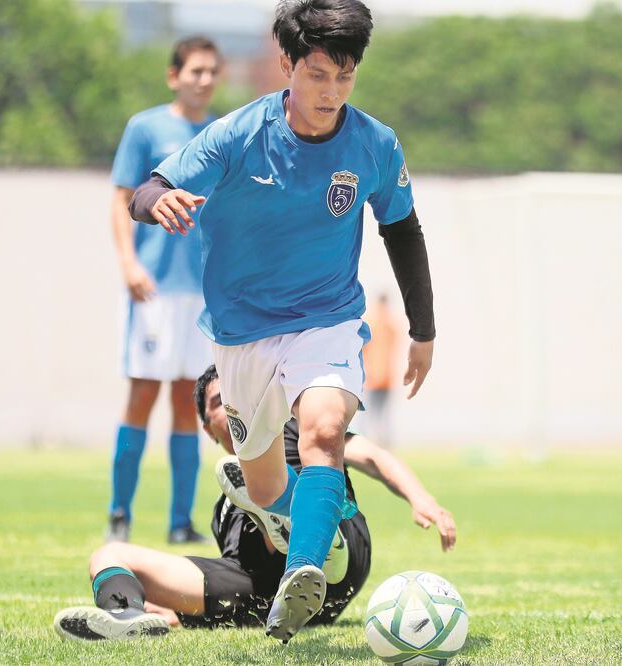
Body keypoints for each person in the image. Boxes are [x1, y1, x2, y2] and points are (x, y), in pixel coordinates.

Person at [127, 0, 436, 642]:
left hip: (326, 319)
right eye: (318, 74)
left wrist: (422, 330)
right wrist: (161, 204)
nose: (331, 92)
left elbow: (403, 229)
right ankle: (304, 513)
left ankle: (302, 578)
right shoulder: (237, 135)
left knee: (323, 428)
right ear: (288, 65)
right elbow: (145, 190)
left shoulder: (374, 144)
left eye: (345, 77)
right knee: (267, 486)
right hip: (240, 336)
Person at [52, 365, 455, 641]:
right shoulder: (222, 510)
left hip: (343, 561)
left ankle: (305, 531)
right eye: (214, 402)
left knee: (297, 494)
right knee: (109, 554)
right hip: (267, 597)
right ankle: (127, 614)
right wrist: (175, 612)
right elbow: (234, 582)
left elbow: (371, 455)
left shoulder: (297, 430)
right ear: (208, 429)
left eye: (233, 394)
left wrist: (422, 499)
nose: (226, 404)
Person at [107, 36, 222, 545]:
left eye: (212, 71)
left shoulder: (221, 134)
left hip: (202, 294)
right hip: (153, 290)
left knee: (188, 403)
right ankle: (119, 514)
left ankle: (180, 523)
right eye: (196, 70)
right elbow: (121, 200)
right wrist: (129, 262)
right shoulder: (145, 127)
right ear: (174, 75)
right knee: (142, 396)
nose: (205, 79)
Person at [362, 294, 400, 448]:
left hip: (386, 379)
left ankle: (384, 447)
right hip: (372, 379)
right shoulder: (372, 325)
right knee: (369, 415)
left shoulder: (390, 326)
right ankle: (367, 446)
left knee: (383, 417)